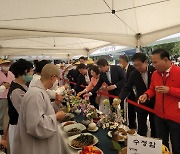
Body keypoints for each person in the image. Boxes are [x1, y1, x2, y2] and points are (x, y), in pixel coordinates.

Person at [12, 64, 66, 154]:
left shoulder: (40, 91)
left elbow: (43, 111)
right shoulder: (35, 94)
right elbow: (36, 126)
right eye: (58, 79)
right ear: (53, 77)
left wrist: (56, 103)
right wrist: (56, 117)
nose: (57, 82)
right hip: (36, 147)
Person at [139, 49, 180, 154]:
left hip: (176, 117)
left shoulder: (178, 72)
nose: (153, 65)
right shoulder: (155, 74)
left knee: (177, 145)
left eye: (155, 62)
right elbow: (152, 88)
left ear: (165, 60)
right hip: (159, 116)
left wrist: (170, 90)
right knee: (161, 145)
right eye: (152, 62)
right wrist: (146, 95)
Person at [119, 53, 156, 137]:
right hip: (141, 103)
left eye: (139, 65)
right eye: (135, 65)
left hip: (154, 102)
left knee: (154, 125)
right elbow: (127, 87)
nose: (137, 67)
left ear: (145, 62)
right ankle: (141, 142)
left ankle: (155, 143)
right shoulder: (134, 74)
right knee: (141, 126)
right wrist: (119, 98)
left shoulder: (154, 71)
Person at [7, 59, 33, 153]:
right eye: (31, 70)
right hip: (18, 127)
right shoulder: (16, 91)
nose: (32, 73)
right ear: (25, 71)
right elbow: (24, 112)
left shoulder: (23, 85)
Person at [119, 55, 137, 129]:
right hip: (125, 92)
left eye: (120, 62)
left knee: (132, 110)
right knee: (126, 109)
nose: (119, 63)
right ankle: (125, 122)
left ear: (124, 61)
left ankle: (133, 125)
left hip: (133, 92)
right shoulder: (122, 70)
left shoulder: (132, 69)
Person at [0, 59, 14, 135]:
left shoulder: (11, 73)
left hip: (10, 94)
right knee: (1, 114)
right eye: (5, 65)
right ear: (1, 66)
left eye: (8, 65)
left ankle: (10, 127)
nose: (6, 66)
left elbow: (14, 81)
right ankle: (1, 128)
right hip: (2, 96)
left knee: (10, 112)